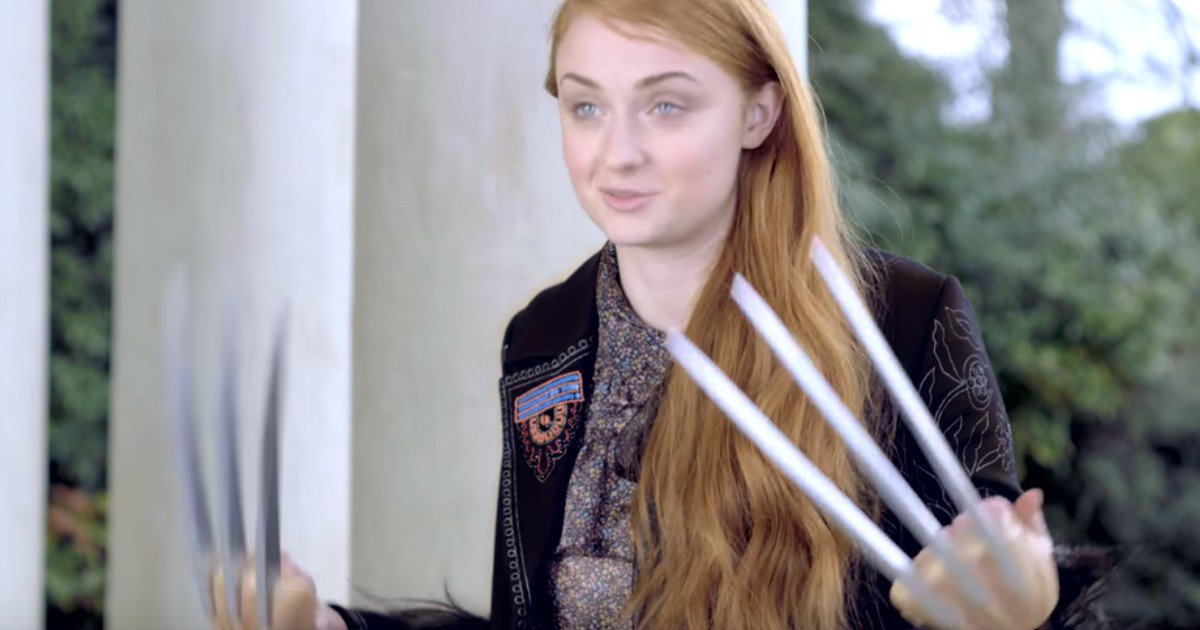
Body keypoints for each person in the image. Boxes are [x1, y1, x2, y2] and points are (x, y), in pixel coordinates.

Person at [222, 0, 1112, 627]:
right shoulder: (544, 340)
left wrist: (1026, 610)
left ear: (758, 112)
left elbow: (996, 570)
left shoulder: (902, 320)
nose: (617, 154)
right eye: (586, 106)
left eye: (666, 104)